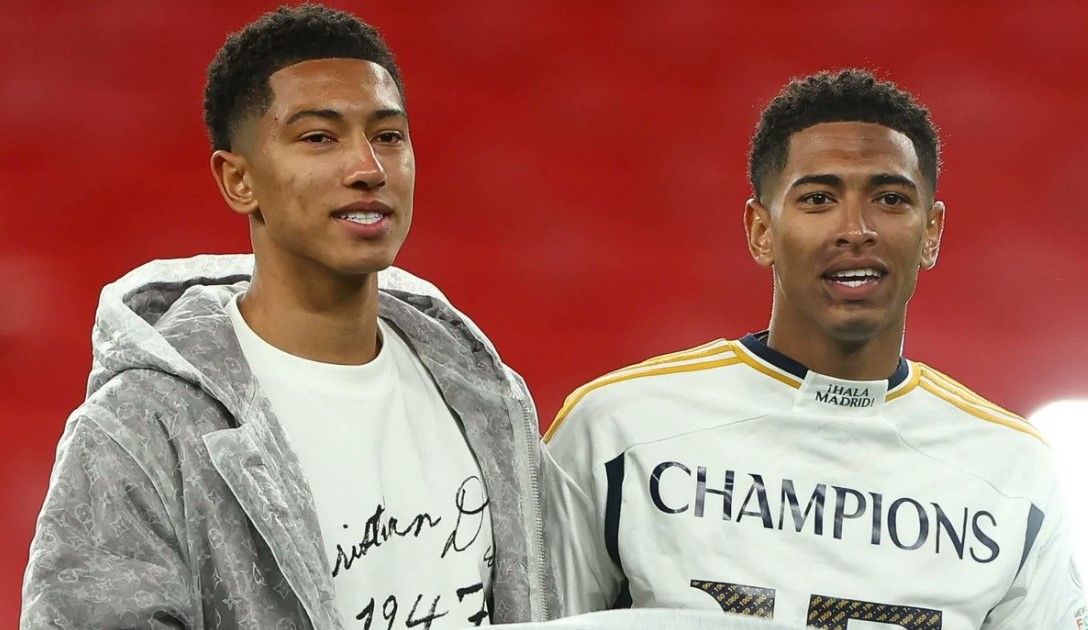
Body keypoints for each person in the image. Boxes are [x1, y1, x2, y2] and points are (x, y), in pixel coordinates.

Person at [21, 5, 555, 628]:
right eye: (319, 137)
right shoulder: (141, 428)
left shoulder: (488, 399)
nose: (368, 169)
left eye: (388, 136)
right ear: (238, 180)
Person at [543, 69, 1087, 628]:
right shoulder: (617, 429)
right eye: (819, 198)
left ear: (931, 233)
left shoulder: (1014, 472)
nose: (855, 228)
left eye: (890, 198)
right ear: (761, 230)